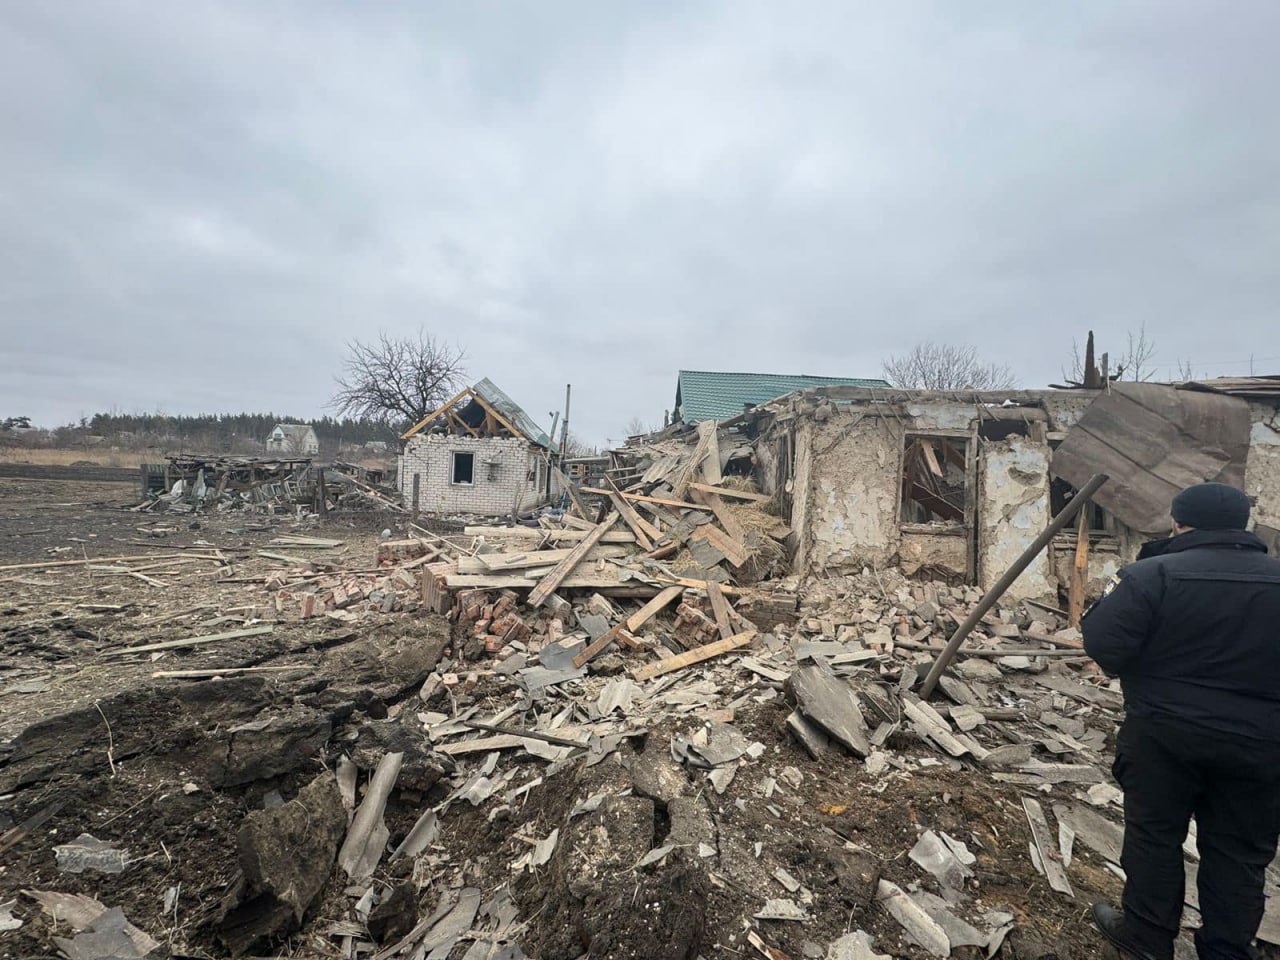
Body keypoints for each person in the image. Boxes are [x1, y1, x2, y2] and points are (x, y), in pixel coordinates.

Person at [1082, 482, 1280, 960]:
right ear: (1243, 525)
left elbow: (1103, 643)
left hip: (1163, 733)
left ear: (1178, 523)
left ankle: (1147, 936)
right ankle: (1227, 949)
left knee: (1154, 835)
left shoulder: (1150, 575)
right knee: (1240, 851)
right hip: (1261, 740)